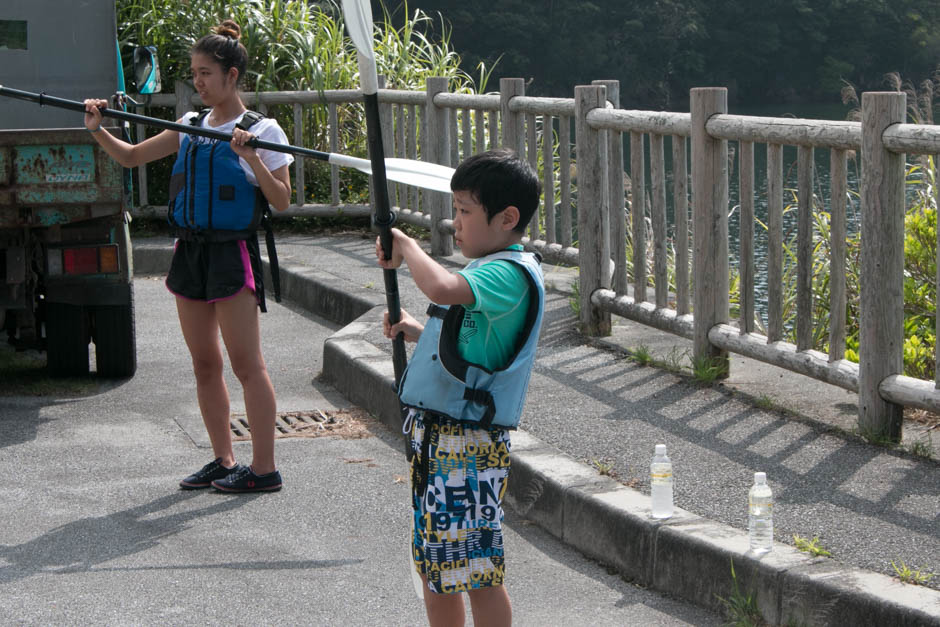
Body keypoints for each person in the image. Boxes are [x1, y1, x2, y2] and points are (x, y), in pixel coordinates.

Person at [84, 20, 292, 493]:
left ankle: (264, 469)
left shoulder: (263, 130)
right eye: (194, 73)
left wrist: (252, 157)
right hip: (190, 254)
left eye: (205, 73)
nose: (198, 82)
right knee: (204, 364)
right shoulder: (190, 125)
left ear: (232, 75)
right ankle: (223, 459)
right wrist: (98, 130)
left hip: (231, 254)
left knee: (247, 365)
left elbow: (281, 200)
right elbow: (132, 157)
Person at [376, 149, 544, 627]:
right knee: (438, 571)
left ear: (507, 218)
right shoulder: (490, 269)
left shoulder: (507, 272)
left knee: (475, 571)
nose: (455, 223)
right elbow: (471, 344)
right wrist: (415, 330)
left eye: (465, 211)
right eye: (455, 209)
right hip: (441, 438)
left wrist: (407, 246)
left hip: (465, 444)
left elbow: (442, 289)